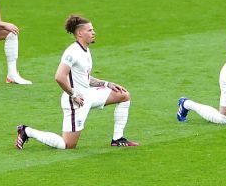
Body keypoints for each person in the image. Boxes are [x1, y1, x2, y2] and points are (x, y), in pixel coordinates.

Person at [15, 14, 138, 150]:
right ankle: (26, 131)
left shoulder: (85, 50)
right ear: (80, 33)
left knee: (123, 95)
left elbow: (84, 77)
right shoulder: (72, 52)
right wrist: (73, 95)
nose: (94, 32)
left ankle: (117, 139)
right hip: (76, 102)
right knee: (67, 145)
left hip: (88, 95)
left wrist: (106, 84)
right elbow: (59, 76)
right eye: (90, 30)